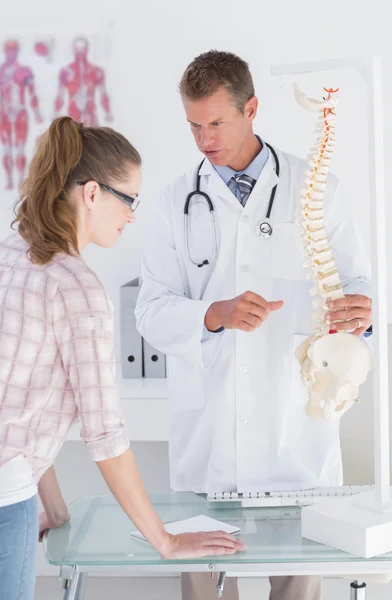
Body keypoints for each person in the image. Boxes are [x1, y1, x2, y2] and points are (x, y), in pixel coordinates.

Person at [135, 51, 373, 600]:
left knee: (297, 583)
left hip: (295, 427)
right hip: (210, 430)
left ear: (253, 108)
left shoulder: (318, 188)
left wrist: (361, 311)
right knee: (201, 585)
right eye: (194, 125)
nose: (204, 139)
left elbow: (360, 283)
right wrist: (211, 315)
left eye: (216, 122)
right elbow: (150, 310)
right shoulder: (177, 202)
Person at [0, 116, 244, 600]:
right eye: (129, 200)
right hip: (3, 504)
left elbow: (19, 400)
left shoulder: (10, 253)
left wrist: (56, 508)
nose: (132, 216)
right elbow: (104, 435)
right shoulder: (77, 288)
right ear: (91, 194)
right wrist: (165, 541)